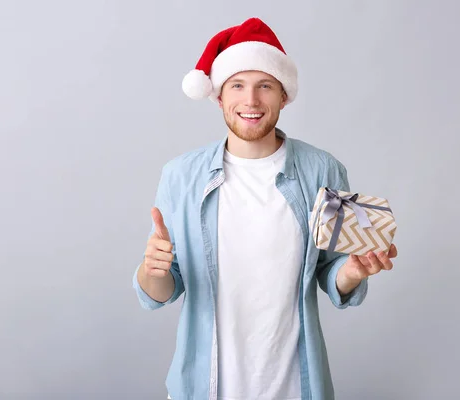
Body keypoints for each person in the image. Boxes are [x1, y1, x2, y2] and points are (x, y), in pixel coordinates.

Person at [133, 17, 398, 400]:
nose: (251, 101)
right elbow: (160, 290)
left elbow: (332, 272)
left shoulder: (322, 170)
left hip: (297, 387)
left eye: (265, 86)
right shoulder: (180, 177)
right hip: (204, 389)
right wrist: (151, 269)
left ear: (284, 96)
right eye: (237, 85)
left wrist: (352, 271)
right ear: (220, 96)